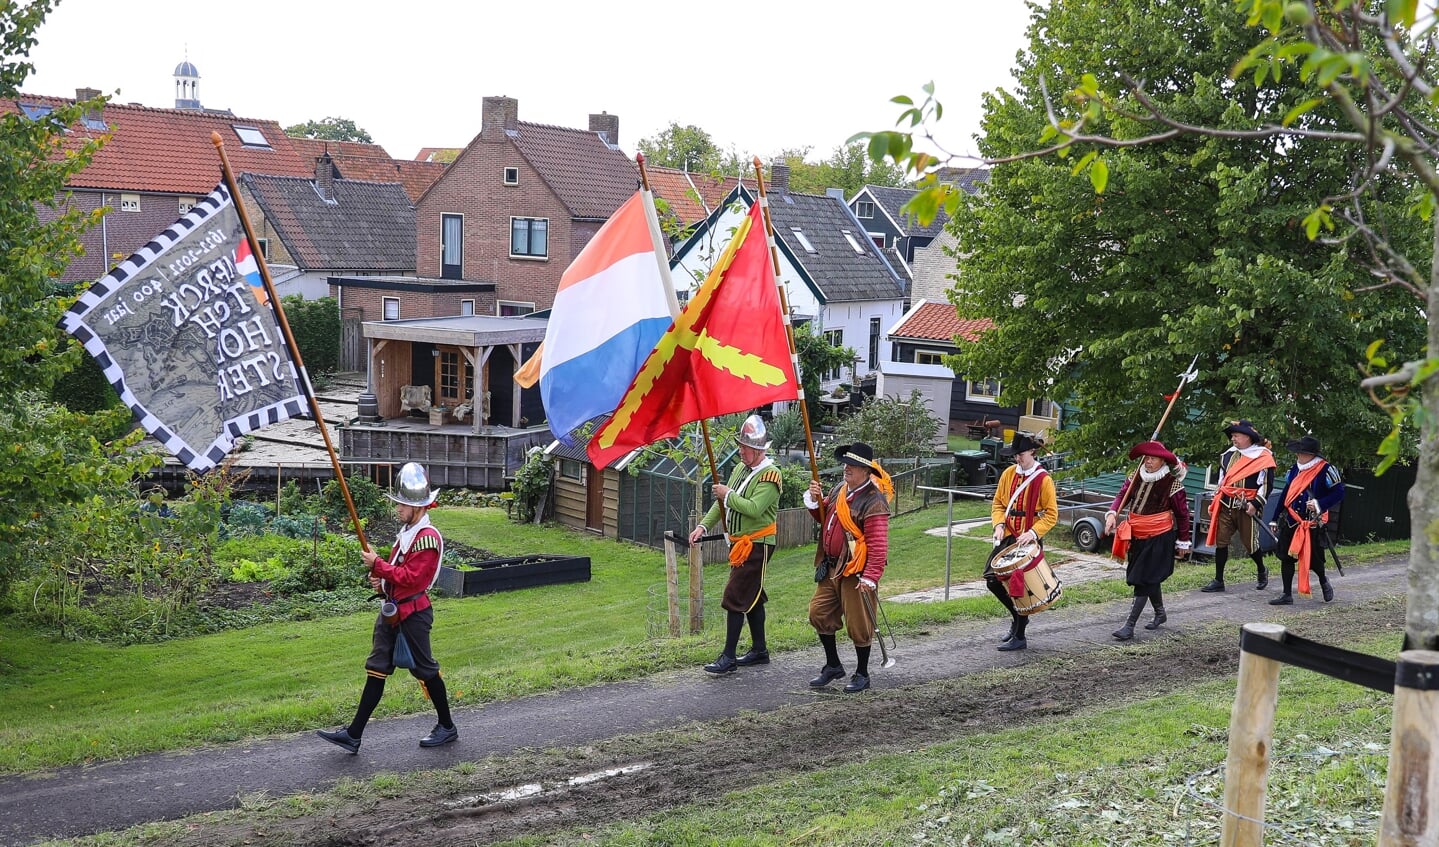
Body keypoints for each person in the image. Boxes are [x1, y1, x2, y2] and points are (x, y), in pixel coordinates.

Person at [316, 462, 457, 753]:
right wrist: (382, 584)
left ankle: (446, 726)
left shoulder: (427, 539)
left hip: (414, 615)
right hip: (391, 611)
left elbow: (414, 579)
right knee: (377, 668)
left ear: (417, 507)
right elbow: (398, 573)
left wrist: (378, 567)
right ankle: (353, 734)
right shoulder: (407, 532)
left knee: (425, 670)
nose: (397, 509)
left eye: (402, 504)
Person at [690, 414, 783, 675]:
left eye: (744, 447)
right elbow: (721, 504)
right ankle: (760, 650)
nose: (740, 450)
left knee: (735, 596)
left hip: (758, 544)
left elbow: (754, 509)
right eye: (740, 445)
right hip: (739, 544)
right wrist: (703, 525)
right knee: (753, 597)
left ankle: (728, 657)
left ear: (758, 450)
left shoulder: (771, 476)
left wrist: (728, 494)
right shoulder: (742, 468)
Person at [804, 441, 893, 693]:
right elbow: (825, 518)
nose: (847, 468)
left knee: (859, 624)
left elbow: (877, 545)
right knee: (818, 613)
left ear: (866, 471)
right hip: (831, 567)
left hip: (856, 571)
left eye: (852, 465)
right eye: (846, 464)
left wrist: (871, 577)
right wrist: (814, 501)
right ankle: (833, 665)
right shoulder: (839, 490)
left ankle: (862, 673)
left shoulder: (874, 502)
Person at [1103, 441, 1192, 639]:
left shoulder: (1172, 484)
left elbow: (1183, 515)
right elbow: (1121, 496)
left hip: (1160, 537)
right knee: (1149, 577)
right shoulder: (1135, 476)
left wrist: (1183, 541)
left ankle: (1129, 626)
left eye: (1152, 458)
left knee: (1143, 579)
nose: (1148, 461)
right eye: (1146, 457)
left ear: (1163, 461)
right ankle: (1160, 613)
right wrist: (1112, 514)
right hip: (1137, 535)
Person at [986, 432, 1058, 652]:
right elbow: (998, 503)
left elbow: (1051, 514)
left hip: (1027, 541)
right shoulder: (1008, 474)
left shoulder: (1043, 479)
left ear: (1032, 452)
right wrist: (998, 525)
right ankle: (1019, 619)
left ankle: (1020, 636)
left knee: (1021, 589)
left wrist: (1034, 533)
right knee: (992, 580)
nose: (1018, 459)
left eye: (1021, 455)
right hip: (1008, 536)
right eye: (1015, 455)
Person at [1269, 435, 1345, 605]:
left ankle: (1324, 581)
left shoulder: (1326, 470)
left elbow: (1339, 492)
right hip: (1292, 521)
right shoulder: (1295, 469)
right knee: (1286, 557)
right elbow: (1286, 494)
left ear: (1311, 454)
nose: (1298, 456)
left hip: (1312, 523)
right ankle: (1287, 594)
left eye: (1301, 453)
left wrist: (1319, 503)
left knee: (1314, 560)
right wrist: (1274, 517)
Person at [1201, 419, 1275, 593]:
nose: (1233, 439)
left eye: (1236, 435)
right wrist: (1218, 492)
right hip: (1226, 503)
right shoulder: (1227, 455)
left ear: (1248, 437)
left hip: (1247, 506)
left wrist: (1256, 504)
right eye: (1232, 435)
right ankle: (1218, 580)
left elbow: (1265, 484)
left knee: (1250, 544)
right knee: (1222, 542)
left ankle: (1262, 570)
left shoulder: (1263, 456)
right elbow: (1222, 478)